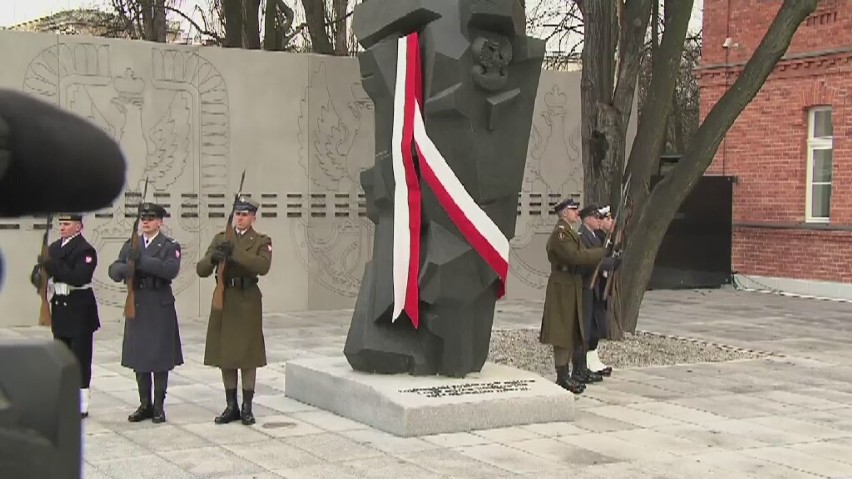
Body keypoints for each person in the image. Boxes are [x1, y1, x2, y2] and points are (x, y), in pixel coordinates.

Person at [197, 195, 272, 426]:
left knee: (248, 354)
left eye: (245, 215)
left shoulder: (261, 240)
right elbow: (201, 269)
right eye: (237, 214)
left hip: (247, 299)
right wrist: (214, 257)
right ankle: (231, 405)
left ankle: (247, 406)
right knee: (226, 354)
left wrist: (235, 252)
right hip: (225, 298)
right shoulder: (221, 238)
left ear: (253, 217)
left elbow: (262, 266)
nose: (240, 218)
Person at [107, 202, 183, 424]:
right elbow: (114, 270)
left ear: (160, 222)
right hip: (138, 302)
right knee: (139, 356)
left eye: (151, 218)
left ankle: (158, 405)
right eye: (143, 219)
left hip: (159, 302)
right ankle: (144, 404)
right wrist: (129, 267)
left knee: (159, 357)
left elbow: (170, 269)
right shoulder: (132, 244)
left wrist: (141, 261)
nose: (146, 222)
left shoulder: (170, 245)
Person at [29, 213, 100, 418]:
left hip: (79, 309)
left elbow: (79, 277)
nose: (62, 227)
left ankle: (81, 403)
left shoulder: (85, 250)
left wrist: (51, 265)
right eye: (61, 224)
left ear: (78, 227)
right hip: (59, 308)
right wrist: (38, 275)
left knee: (80, 359)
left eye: (67, 224)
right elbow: (41, 273)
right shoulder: (53, 248)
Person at [539, 198, 607, 395]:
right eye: (573, 210)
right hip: (562, 285)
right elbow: (575, 257)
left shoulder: (568, 232)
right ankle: (562, 376)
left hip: (571, 283)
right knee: (562, 331)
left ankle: (568, 373)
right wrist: (601, 253)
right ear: (563, 213)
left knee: (571, 329)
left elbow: (582, 254)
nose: (577, 212)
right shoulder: (561, 234)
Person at [578, 205, 621, 380]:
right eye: (598, 218)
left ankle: (591, 361)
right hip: (588, 285)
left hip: (596, 286)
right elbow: (591, 259)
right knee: (589, 326)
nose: (600, 220)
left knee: (597, 325)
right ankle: (585, 364)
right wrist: (609, 263)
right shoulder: (583, 237)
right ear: (588, 219)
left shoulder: (597, 237)